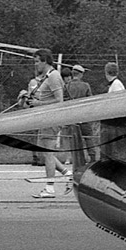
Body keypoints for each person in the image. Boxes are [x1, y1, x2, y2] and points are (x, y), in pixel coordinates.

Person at [25, 49, 67, 198]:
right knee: (44, 152)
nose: (36, 65)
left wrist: (38, 103)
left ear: (45, 61)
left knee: (48, 154)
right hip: (45, 119)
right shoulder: (46, 77)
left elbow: (59, 100)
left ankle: (50, 188)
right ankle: (66, 173)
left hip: (51, 119)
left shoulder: (54, 76)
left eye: (37, 61)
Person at [62, 64, 98, 164]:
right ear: (80, 74)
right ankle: (92, 157)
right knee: (88, 137)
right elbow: (90, 100)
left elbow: (64, 101)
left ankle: (77, 158)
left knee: (74, 138)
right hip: (84, 116)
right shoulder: (85, 86)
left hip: (71, 117)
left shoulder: (67, 86)